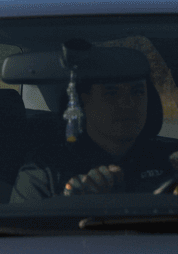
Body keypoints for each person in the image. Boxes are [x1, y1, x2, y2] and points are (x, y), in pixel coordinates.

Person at [11, 67, 177, 202]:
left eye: (138, 91)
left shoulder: (171, 160)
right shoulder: (46, 171)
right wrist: (72, 205)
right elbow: (23, 239)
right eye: (111, 93)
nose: (127, 103)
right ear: (82, 102)